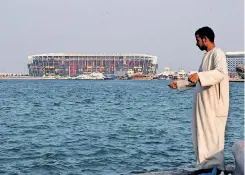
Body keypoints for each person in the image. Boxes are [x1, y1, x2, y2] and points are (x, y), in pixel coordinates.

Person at [169, 26, 229, 174]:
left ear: (205, 39)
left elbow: (220, 73)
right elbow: (196, 80)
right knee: (203, 136)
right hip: (204, 106)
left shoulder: (218, 53)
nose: (196, 43)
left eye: (197, 39)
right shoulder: (206, 57)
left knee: (213, 137)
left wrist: (200, 76)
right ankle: (205, 167)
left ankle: (216, 168)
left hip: (214, 106)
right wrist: (179, 83)